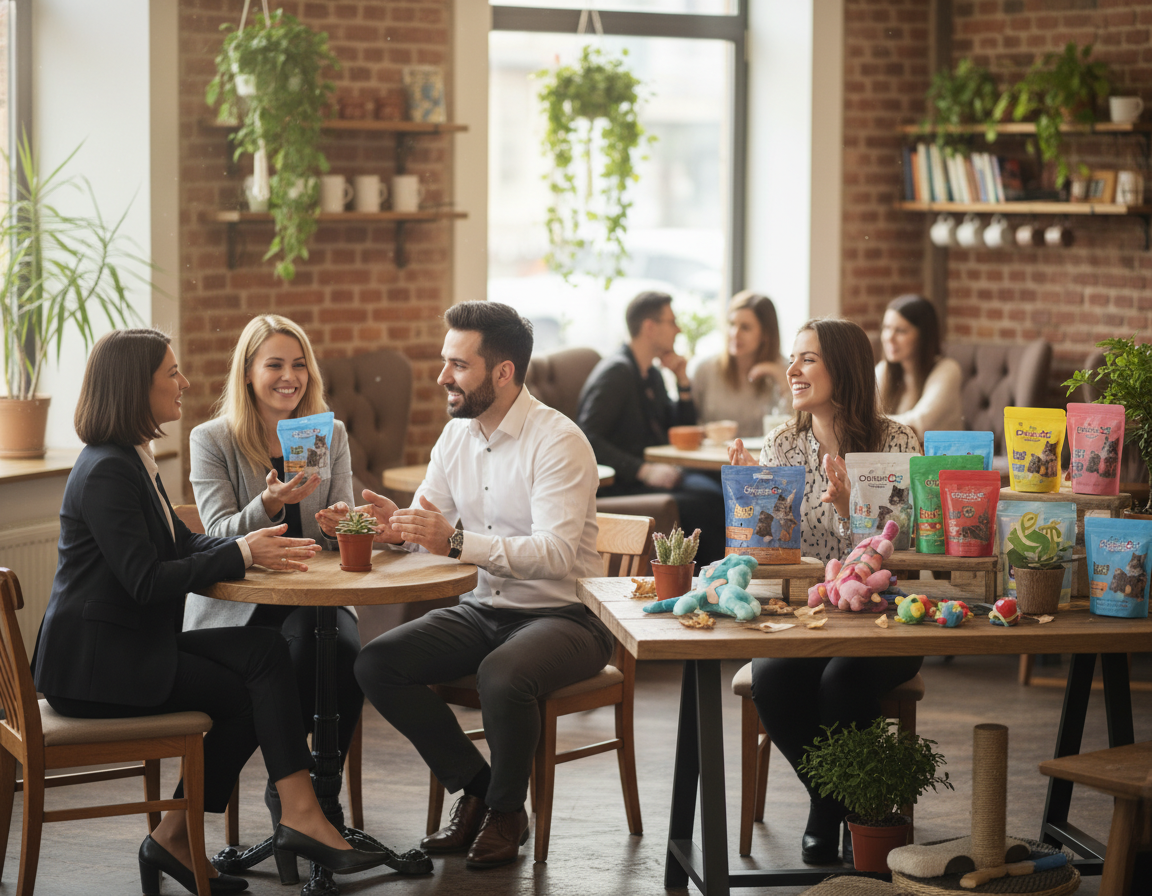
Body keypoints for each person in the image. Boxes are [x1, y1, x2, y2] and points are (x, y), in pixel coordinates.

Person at [30, 329, 391, 896]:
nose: (184, 382)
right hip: (99, 669)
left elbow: (181, 544)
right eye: (171, 373)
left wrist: (248, 545)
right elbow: (147, 581)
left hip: (128, 648)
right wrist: (244, 552)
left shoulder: (129, 459)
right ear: (135, 387)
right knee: (250, 685)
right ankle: (280, 817)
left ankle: (232, 824)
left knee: (265, 654)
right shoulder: (106, 470)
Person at [353, 301, 614, 870]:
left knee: (502, 675)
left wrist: (453, 541)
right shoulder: (454, 440)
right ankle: (477, 789)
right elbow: (431, 528)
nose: (442, 377)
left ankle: (506, 812)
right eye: (444, 361)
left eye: (458, 365)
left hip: (569, 617)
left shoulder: (559, 441)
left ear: (503, 372)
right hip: (484, 609)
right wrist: (394, 529)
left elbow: (555, 554)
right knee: (376, 663)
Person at [728, 317, 923, 865]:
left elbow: (906, 544)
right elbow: (773, 549)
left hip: (887, 613)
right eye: (793, 358)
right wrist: (752, 500)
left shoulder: (898, 441)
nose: (792, 369)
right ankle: (833, 802)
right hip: (807, 612)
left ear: (845, 367)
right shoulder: (782, 444)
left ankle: (829, 813)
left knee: (842, 683)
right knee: (772, 679)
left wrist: (848, 511)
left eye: (808, 359)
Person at [186, 314, 362, 827]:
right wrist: (267, 502)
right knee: (299, 651)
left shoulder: (328, 433)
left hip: (316, 594)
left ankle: (310, 787)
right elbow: (217, 534)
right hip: (241, 602)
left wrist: (342, 523)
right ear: (247, 373)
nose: (290, 377)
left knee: (347, 656)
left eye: (299, 365)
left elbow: (344, 525)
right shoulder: (212, 439)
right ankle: (301, 791)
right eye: (275, 365)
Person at [575, 290, 725, 562]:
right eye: (672, 322)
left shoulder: (651, 374)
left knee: (720, 485)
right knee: (710, 501)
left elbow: (679, 432)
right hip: (624, 483)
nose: (678, 329)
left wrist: (682, 381)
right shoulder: (617, 373)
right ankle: (707, 577)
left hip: (657, 473)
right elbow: (586, 438)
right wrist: (643, 470)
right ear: (650, 327)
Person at [691, 290, 791, 438]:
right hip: (714, 452)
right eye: (731, 324)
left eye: (745, 327)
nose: (735, 334)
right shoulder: (705, 370)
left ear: (765, 334)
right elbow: (692, 424)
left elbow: (795, 428)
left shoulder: (786, 370)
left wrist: (782, 380)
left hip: (762, 453)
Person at [875, 294, 963, 441]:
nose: (889, 337)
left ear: (923, 336)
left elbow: (917, 425)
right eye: (886, 328)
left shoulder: (948, 370)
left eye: (900, 330)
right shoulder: (884, 369)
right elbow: (863, 412)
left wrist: (868, 422)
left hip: (943, 455)